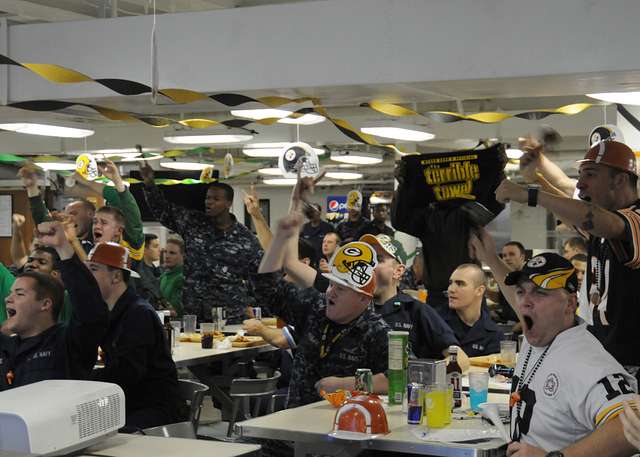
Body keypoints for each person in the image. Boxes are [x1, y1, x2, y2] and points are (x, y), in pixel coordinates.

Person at [470, 229, 637, 456]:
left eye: (540, 293)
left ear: (569, 304)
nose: (525, 303)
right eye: (521, 292)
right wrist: (490, 257)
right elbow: (519, 299)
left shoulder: (586, 361)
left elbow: (629, 429)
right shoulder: (543, 328)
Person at [496, 139, 640, 375]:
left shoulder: (630, 220)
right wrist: (537, 179)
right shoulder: (602, 229)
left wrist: (530, 194)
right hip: (606, 366)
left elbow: (593, 217)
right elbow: (577, 212)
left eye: (590, 175)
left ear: (620, 180)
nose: (581, 185)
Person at [258, 228, 389, 407]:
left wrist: (345, 384)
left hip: (347, 423)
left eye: (340, 289)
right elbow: (271, 292)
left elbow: (400, 377)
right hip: (296, 421)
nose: (330, 294)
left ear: (363, 299)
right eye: (330, 285)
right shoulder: (314, 306)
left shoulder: (376, 330)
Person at [140, 162, 263, 324]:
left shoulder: (244, 238)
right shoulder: (193, 223)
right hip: (194, 313)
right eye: (207, 198)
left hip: (230, 315)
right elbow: (163, 211)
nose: (209, 202)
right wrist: (149, 185)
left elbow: (259, 276)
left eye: (215, 199)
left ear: (228, 204)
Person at [83, 240, 184, 431]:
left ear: (116, 277)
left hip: (154, 409)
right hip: (130, 402)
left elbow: (128, 373)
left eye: (94, 269)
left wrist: (83, 380)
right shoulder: (111, 312)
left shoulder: (138, 315)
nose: (86, 277)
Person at [0, 221, 109, 391]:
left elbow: (90, 307)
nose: (8, 299)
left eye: (19, 294)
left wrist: (64, 247)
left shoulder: (68, 343)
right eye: (11, 293)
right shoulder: (6, 346)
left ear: (45, 304)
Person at [361, 233, 461, 361]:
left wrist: (426, 375)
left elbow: (459, 359)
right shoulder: (351, 308)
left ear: (398, 271)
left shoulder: (415, 311)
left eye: (378, 259)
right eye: (366, 259)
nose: (369, 265)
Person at [19, 166, 95, 253]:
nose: (69, 218)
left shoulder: (100, 241)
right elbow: (42, 218)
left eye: (74, 213)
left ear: (91, 214)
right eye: (67, 215)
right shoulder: (63, 241)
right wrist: (32, 188)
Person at [445, 263, 502, 357]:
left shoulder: (494, 334)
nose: (451, 289)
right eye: (450, 283)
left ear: (479, 291)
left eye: (460, 284)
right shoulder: (436, 324)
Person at [134, 233, 163, 307]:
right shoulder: (138, 273)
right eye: (155, 246)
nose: (159, 250)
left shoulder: (157, 270)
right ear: (144, 249)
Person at [160, 238, 185, 316]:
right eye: (165, 252)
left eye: (172, 253)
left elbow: (178, 311)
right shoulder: (163, 276)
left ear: (183, 256)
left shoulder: (183, 278)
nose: (167, 256)